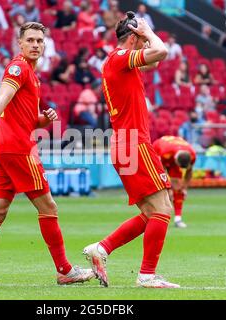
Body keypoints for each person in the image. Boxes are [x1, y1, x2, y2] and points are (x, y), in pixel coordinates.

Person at [0, 22, 94, 286]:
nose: (35, 45)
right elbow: (2, 98)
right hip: (18, 149)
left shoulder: (32, 75)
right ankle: (65, 270)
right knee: (49, 207)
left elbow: (26, 120)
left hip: (3, 149)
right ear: (19, 43)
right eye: (30, 40)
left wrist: (44, 119)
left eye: (39, 41)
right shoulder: (18, 68)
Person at [82, 12, 180, 289]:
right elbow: (161, 50)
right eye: (140, 38)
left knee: (151, 213)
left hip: (124, 143)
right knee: (162, 210)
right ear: (134, 37)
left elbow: (157, 58)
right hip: (133, 143)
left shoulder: (120, 63)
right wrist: (148, 31)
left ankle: (101, 249)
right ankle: (147, 275)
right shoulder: (120, 58)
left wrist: (146, 38)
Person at [153, 136, 197, 228]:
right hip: (157, 150)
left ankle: (178, 219)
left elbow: (189, 171)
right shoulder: (165, 153)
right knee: (158, 189)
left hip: (173, 152)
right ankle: (154, 217)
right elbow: (161, 171)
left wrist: (184, 187)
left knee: (178, 189)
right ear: (176, 160)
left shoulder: (192, 155)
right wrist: (168, 189)